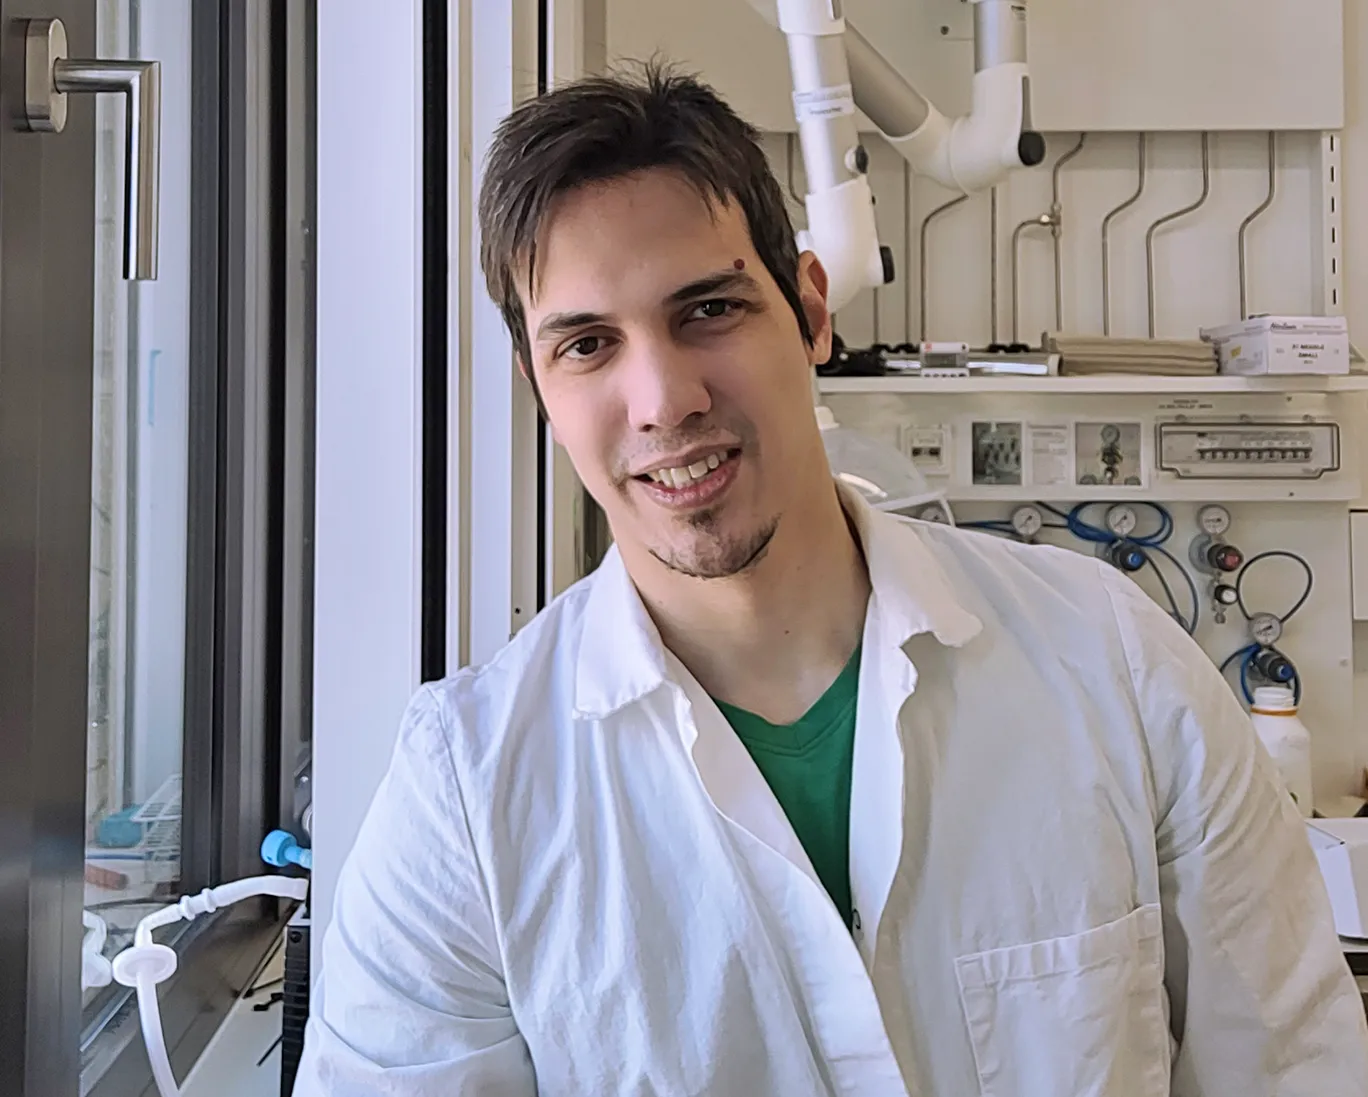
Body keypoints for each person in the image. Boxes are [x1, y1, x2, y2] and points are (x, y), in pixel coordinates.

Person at [293, 61, 1368, 1096]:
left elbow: (1291, 1066)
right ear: (539, 385)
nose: (663, 398)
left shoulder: (1115, 668)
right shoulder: (467, 802)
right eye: (587, 344)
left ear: (810, 309)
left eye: (708, 310)